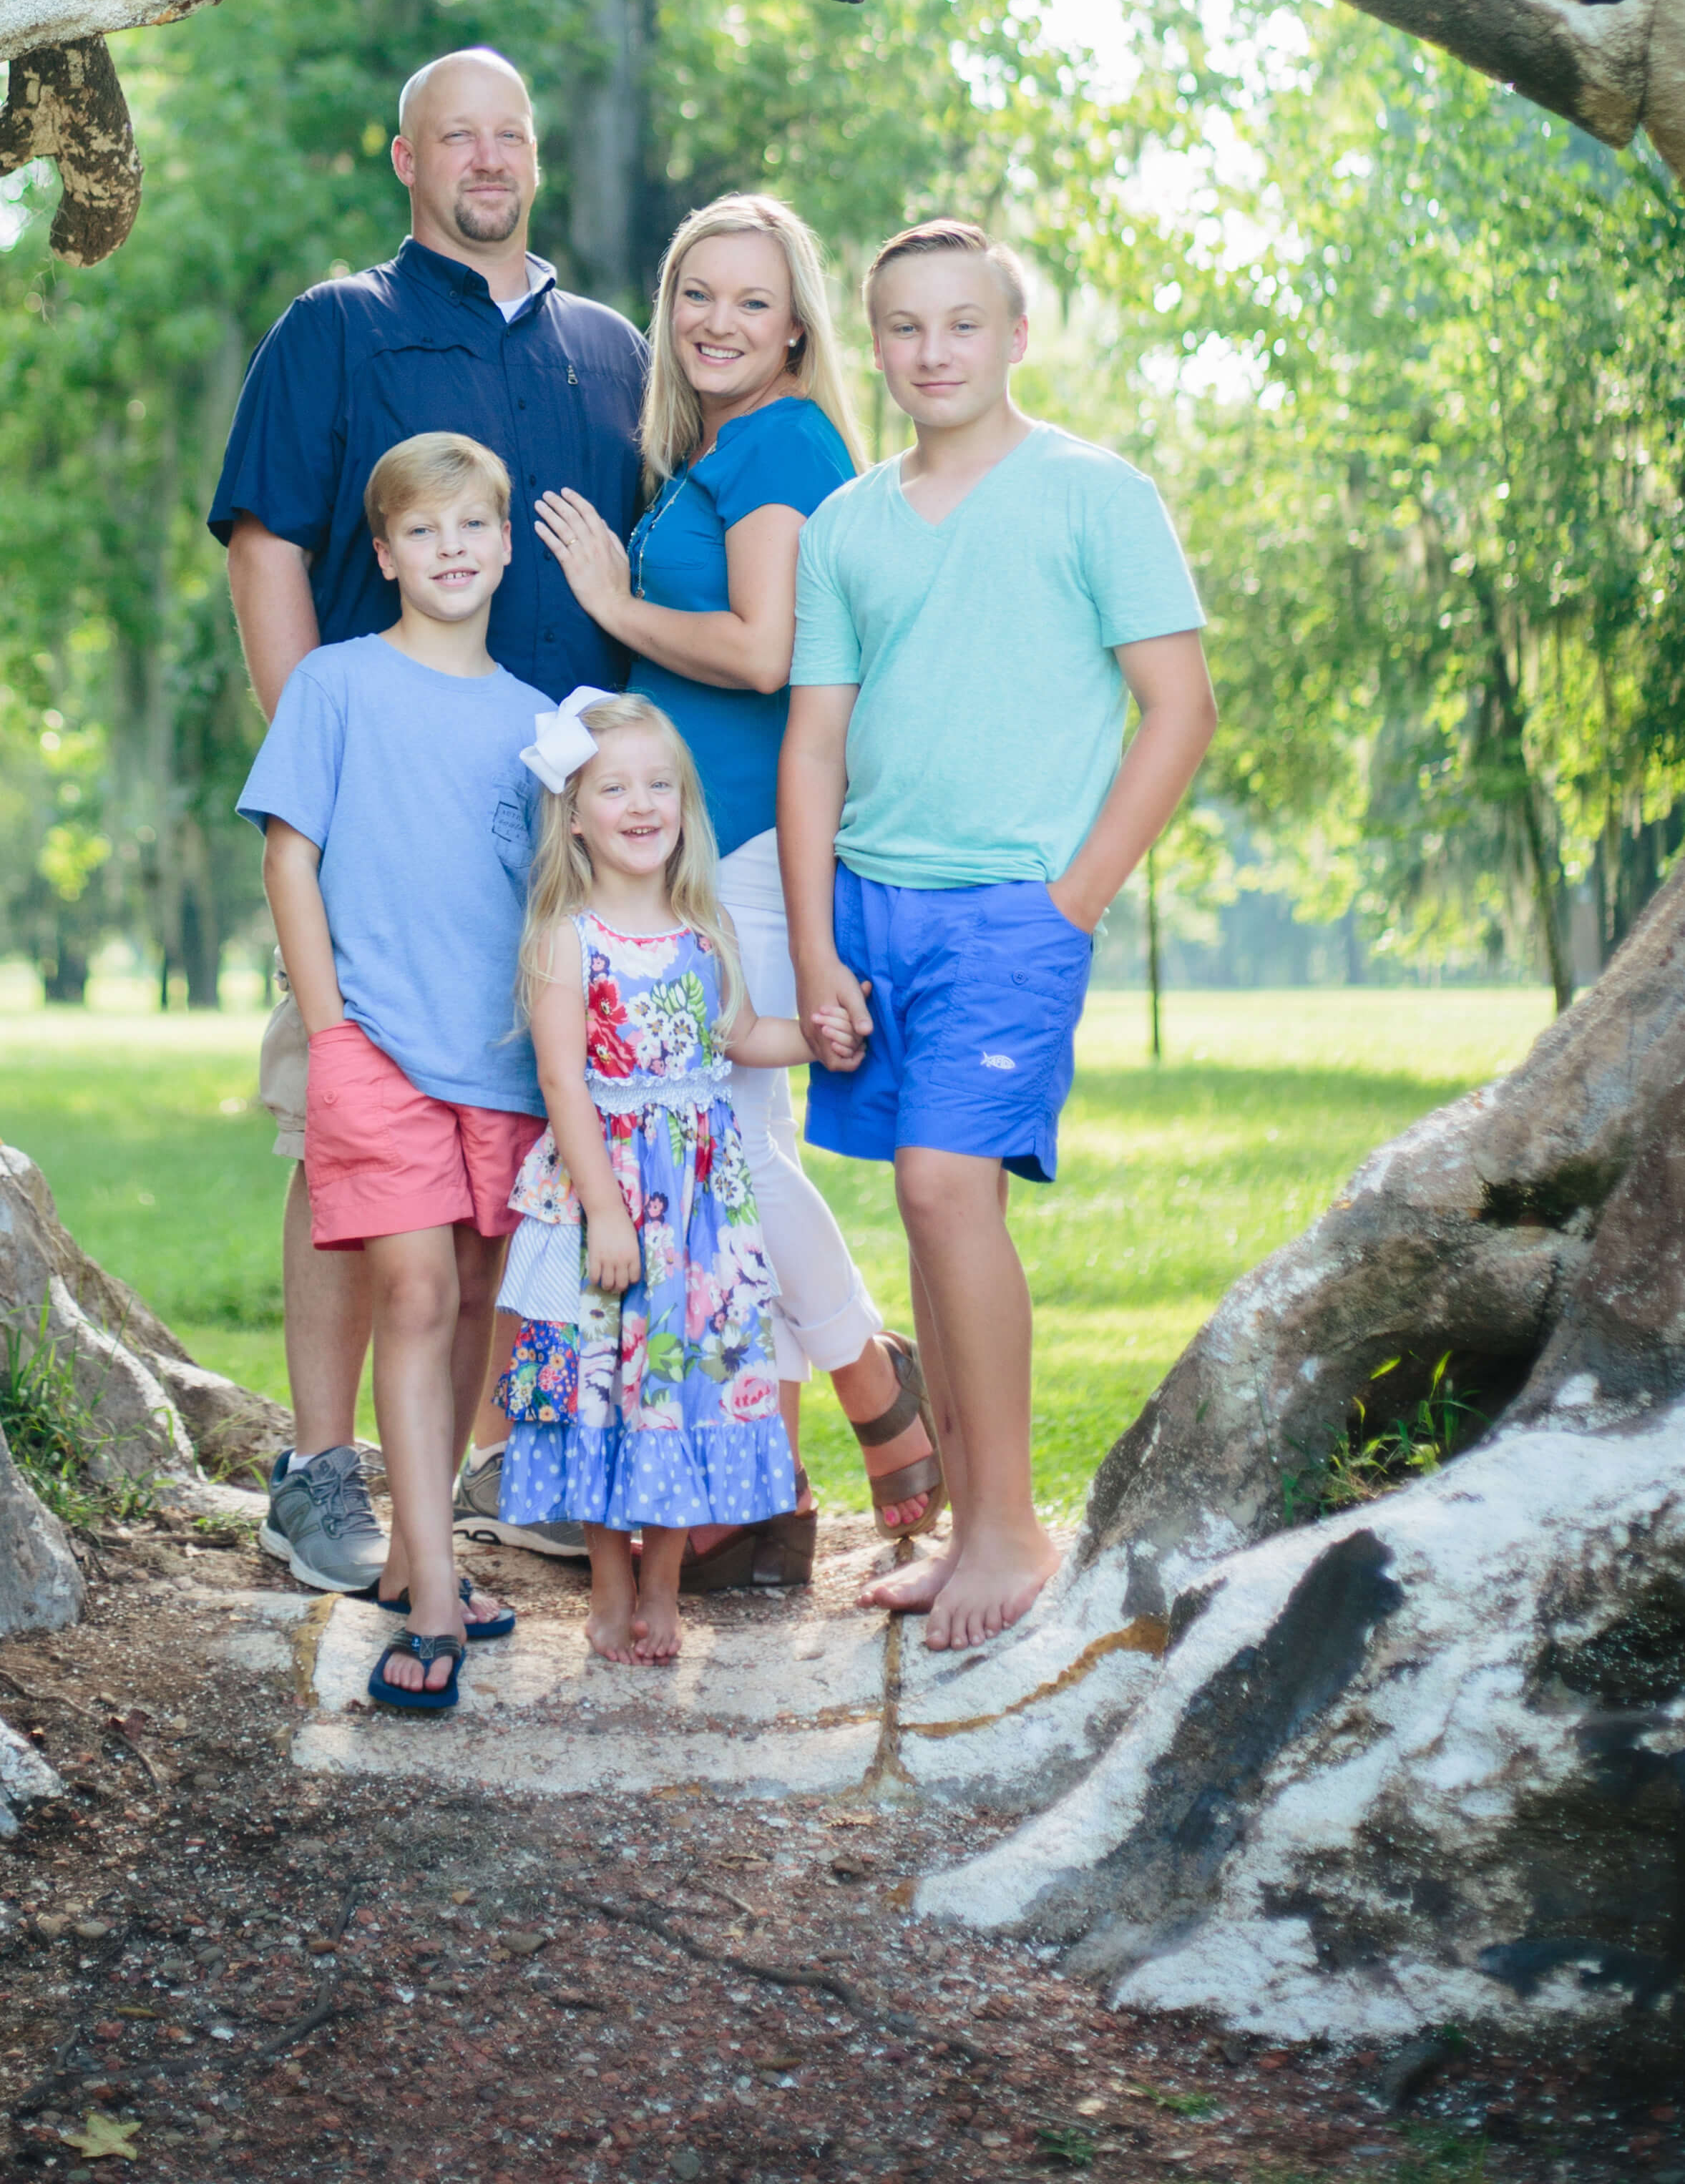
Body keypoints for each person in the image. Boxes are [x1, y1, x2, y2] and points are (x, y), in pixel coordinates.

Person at [209, 47, 647, 1590]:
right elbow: (268, 541)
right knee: (351, 1148)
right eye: (455, 134)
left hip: (554, 840)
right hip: (383, 830)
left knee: (508, 1166)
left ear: (534, 155)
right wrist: (314, 756)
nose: (487, 156)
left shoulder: (611, 347)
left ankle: (448, 1487)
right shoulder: (342, 326)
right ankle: (320, 1468)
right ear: (405, 158)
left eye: (509, 133)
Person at [780, 220, 1216, 1651]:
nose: (931, 351)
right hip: (869, 910)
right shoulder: (847, 522)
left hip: (1012, 908)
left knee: (941, 1181)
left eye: (960, 323)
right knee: (927, 1203)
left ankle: (1008, 1529)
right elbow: (814, 741)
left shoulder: (1093, 493)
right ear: (875, 340)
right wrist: (809, 945)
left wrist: (1072, 896)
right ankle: (968, 1517)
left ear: (1012, 334)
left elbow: (1180, 708)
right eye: (901, 327)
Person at [530, 192, 942, 1580]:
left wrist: (612, 606)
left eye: (751, 301)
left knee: (726, 1152)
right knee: (727, 1150)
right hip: (691, 846)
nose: (717, 320)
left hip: (753, 847)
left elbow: (766, 651)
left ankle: (874, 1381)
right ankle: (759, 1507)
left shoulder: (782, 443)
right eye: (696, 293)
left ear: (795, 328)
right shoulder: (711, 450)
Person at [240, 432, 552, 1711]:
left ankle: (432, 1555)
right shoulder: (338, 687)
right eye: (423, 533)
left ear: (506, 542)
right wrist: (331, 1036)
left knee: (474, 1296)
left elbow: (554, 902)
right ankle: (424, 1601)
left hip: (504, 1065)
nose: (452, 551)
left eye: (473, 527)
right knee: (415, 1293)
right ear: (384, 555)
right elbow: (290, 861)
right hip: (373, 1048)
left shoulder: (543, 725)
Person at [495, 692, 823, 1663]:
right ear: (576, 814)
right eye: (615, 788)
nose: (642, 806)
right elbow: (562, 1079)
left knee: (683, 1391)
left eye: (660, 785)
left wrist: (824, 1038)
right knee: (601, 1390)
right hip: (607, 1198)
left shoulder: (705, 928)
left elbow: (746, 1037)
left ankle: (666, 1591)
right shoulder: (569, 938)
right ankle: (606, 1589)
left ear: (685, 804)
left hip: (701, 1222)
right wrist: (604, 1212)